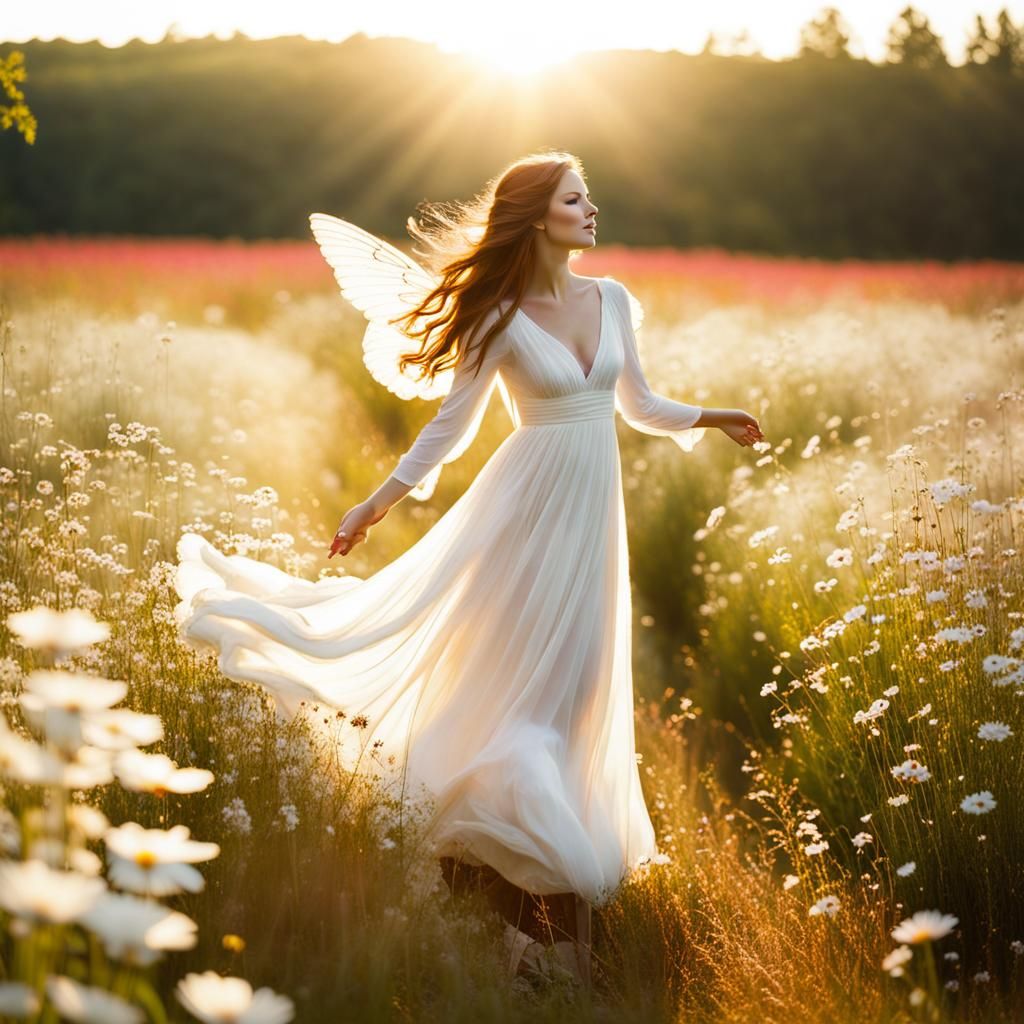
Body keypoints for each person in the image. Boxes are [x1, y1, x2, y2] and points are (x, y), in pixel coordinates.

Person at [173, 150, 764, 987]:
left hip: (593, 524)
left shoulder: (614, 299)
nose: (591, 208)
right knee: (519, 705)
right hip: (523, 516)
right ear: (536, 217)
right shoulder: (494, 314)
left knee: (575, 697)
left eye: (587, 195)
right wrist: (375, 503)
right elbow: (451, 425)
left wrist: (713, 418)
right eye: (573, 198)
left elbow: (637, 404)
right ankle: (528, 919)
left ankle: (526, 919)